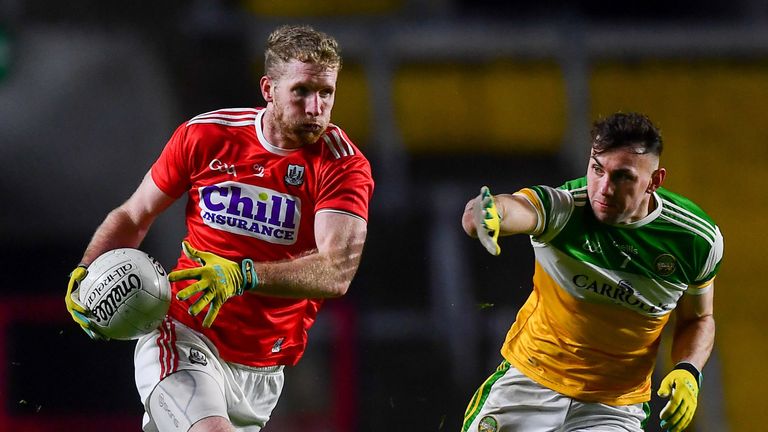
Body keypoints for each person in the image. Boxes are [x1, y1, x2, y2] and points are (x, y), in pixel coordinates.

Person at [64, 24, 374, 432]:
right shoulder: (208, 136)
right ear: (268, 89)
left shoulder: (343, 166)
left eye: (326, 92)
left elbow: (336, 271)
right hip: (183, 334)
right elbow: (133, 215)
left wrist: (242, 275)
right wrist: (87, 270)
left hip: (262, 369)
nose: (316, 106)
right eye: (301, 91)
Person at [460, 112, 722, 432]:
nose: (604, 188)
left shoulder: (694, 240)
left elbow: (698, 318)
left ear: (655, 181)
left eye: (623, 176)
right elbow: (513, 208)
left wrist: (688, 371)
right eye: (597, 169)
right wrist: (487, 213)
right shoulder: (565, 208)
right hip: (529, 385)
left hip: (613, 409)